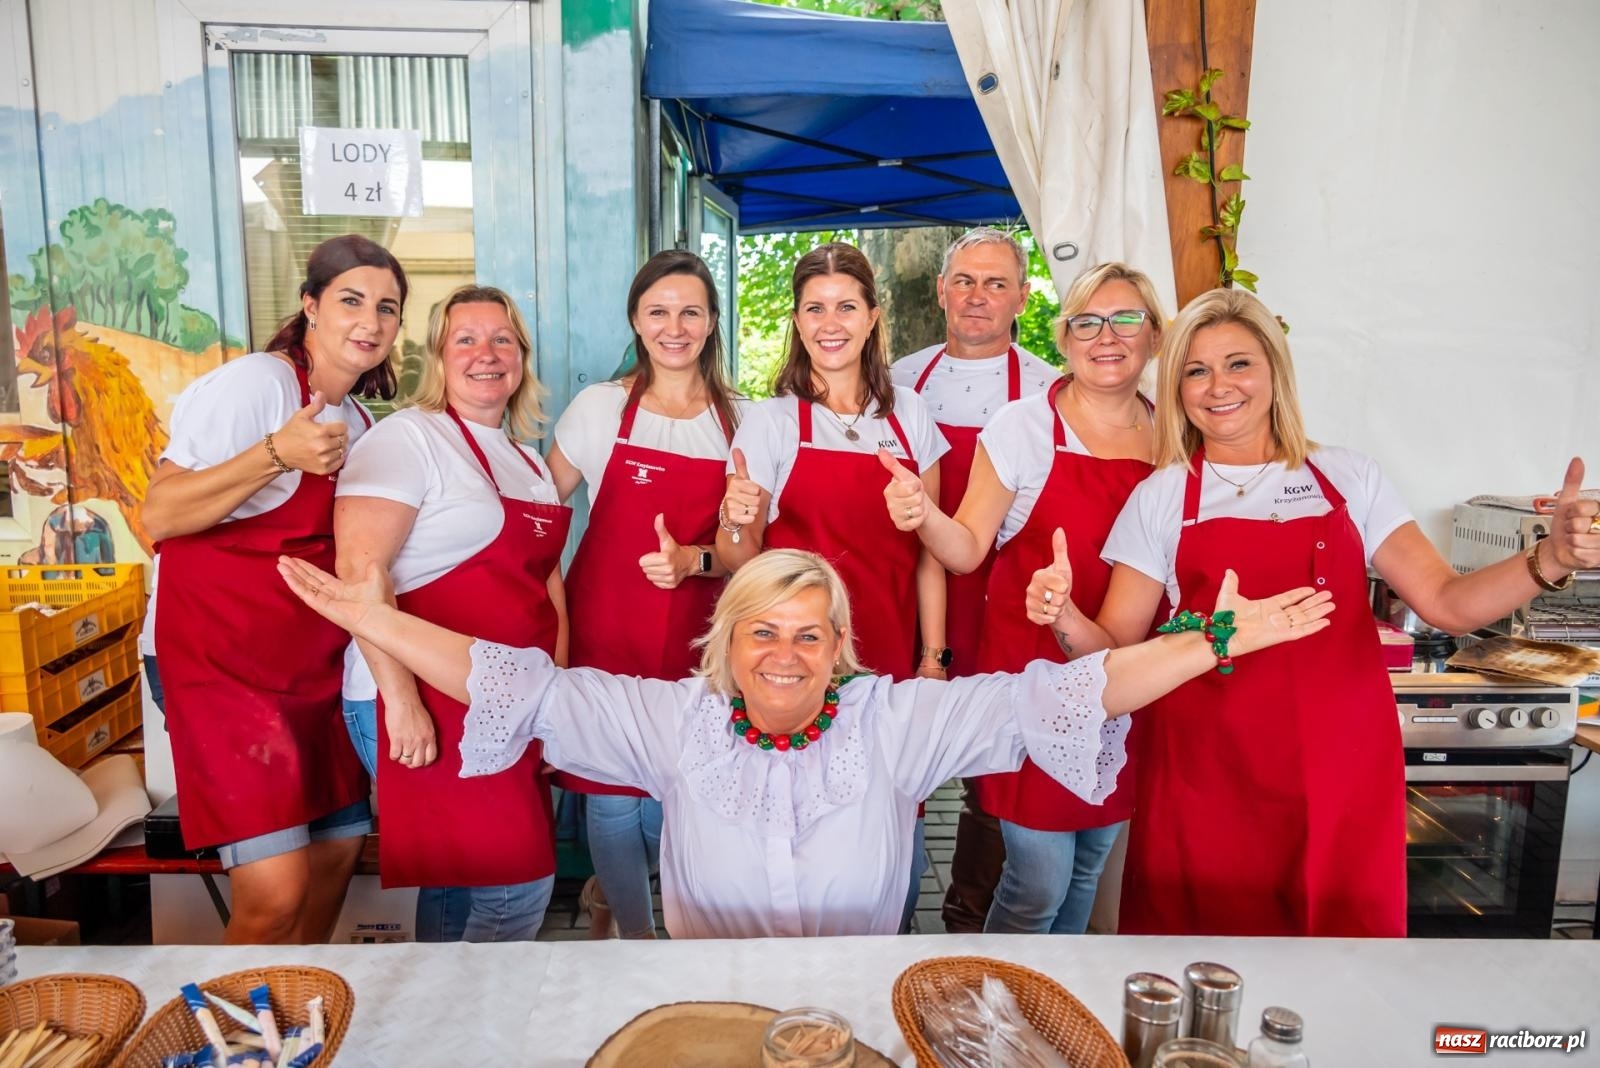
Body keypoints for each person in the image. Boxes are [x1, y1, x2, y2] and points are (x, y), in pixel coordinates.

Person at [278, 547, 1337, 939]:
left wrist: (1211, 639)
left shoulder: (896, 719)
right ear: (726, 644)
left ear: (839, 650)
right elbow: (514, 681)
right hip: (702, 1025)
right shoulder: (671, 720)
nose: (784, 653)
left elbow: (1072, 691)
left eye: (808, 633)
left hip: (855, 1020)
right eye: (762, 630)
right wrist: (373, 621)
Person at [1031, 286, 1600, 937]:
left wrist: (1550, 558)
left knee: (1336, 958)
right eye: (1195, 369)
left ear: (1275, 370)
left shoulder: (1348, 477)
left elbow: (1449, 605)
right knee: (1197, 957)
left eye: (1238, 363)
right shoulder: (1161, 497)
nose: (1218, 385)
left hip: (1337, 770)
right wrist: (1064, 615)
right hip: (1203, 774)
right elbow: (1115, 654)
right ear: (1179, 387)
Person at [885, 261, 1167, 935]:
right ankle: (993, 1022)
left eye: (1126, 319)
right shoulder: (1022, 425)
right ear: (1063, 337)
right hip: (1033, 672)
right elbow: (967, 549)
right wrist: (922, 511)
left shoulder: (1174, 435)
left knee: (1088, 871)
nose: (1107, 336)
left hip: (1130, 676)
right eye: (1087, 322)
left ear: (1155, 338)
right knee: (1037, 883)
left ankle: (1053, 1026)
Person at [142, 234, 405, 944]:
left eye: (387, 307)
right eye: (351, 300)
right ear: (310, 306)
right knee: (275, 891)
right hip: (221, 663)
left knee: (335, 859)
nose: (369, 321)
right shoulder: (258, 383)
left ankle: (294, 1024)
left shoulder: (359, 421)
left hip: (311, 671)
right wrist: (273, 455)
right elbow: (158, 515)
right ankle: (226, 1048)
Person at [717, 241, 949, 930]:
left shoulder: (912, 416)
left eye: (846, 305)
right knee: (802, 820)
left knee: (892, 822)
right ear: (795, 320)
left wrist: (933, 661)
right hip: (798, 665)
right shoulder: (772, 420)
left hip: (890, 655)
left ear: (874, 316)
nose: (831, 321)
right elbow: (742, 564)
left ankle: (889, 957)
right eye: (814, 308)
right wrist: (733, 522)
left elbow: (932, 552)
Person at [334, 285, 569, 943]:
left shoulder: (528, 461)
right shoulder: (409, 439)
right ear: (437, 357)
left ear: (522, 356)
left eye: (502, 340)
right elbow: (359, 576)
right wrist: (401, 699)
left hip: (508, 697)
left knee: (456, 880)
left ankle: (440, 1026)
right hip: (423, 697)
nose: (485, 354)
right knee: (515, 887)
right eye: (465, 339)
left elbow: (546, 582)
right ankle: (483, 1033)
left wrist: (559, 693)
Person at [544, 250, 746, 940]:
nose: (675, 326)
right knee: (608, 795)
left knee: (671, 791)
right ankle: (637, 935)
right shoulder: (600, 408)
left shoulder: (741, 422)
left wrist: (696, 560)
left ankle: (612, 896)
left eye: (691, 311)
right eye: (658, 311)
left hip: (700, 632)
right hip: (605, 623)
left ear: (712, 321)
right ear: (636, 319)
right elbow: (540, 512)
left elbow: (745, 551)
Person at [888, 228, 1057, 932]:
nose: (978, 296)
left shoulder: (1051, 389)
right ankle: (884, 910)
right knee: (899, 759)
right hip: (912, 595)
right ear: (940, 291)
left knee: (995, 773)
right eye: (964, 281)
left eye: (995, 283)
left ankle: (968, 919)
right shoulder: (900, 379)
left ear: (1022, 296)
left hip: (1005, 603)